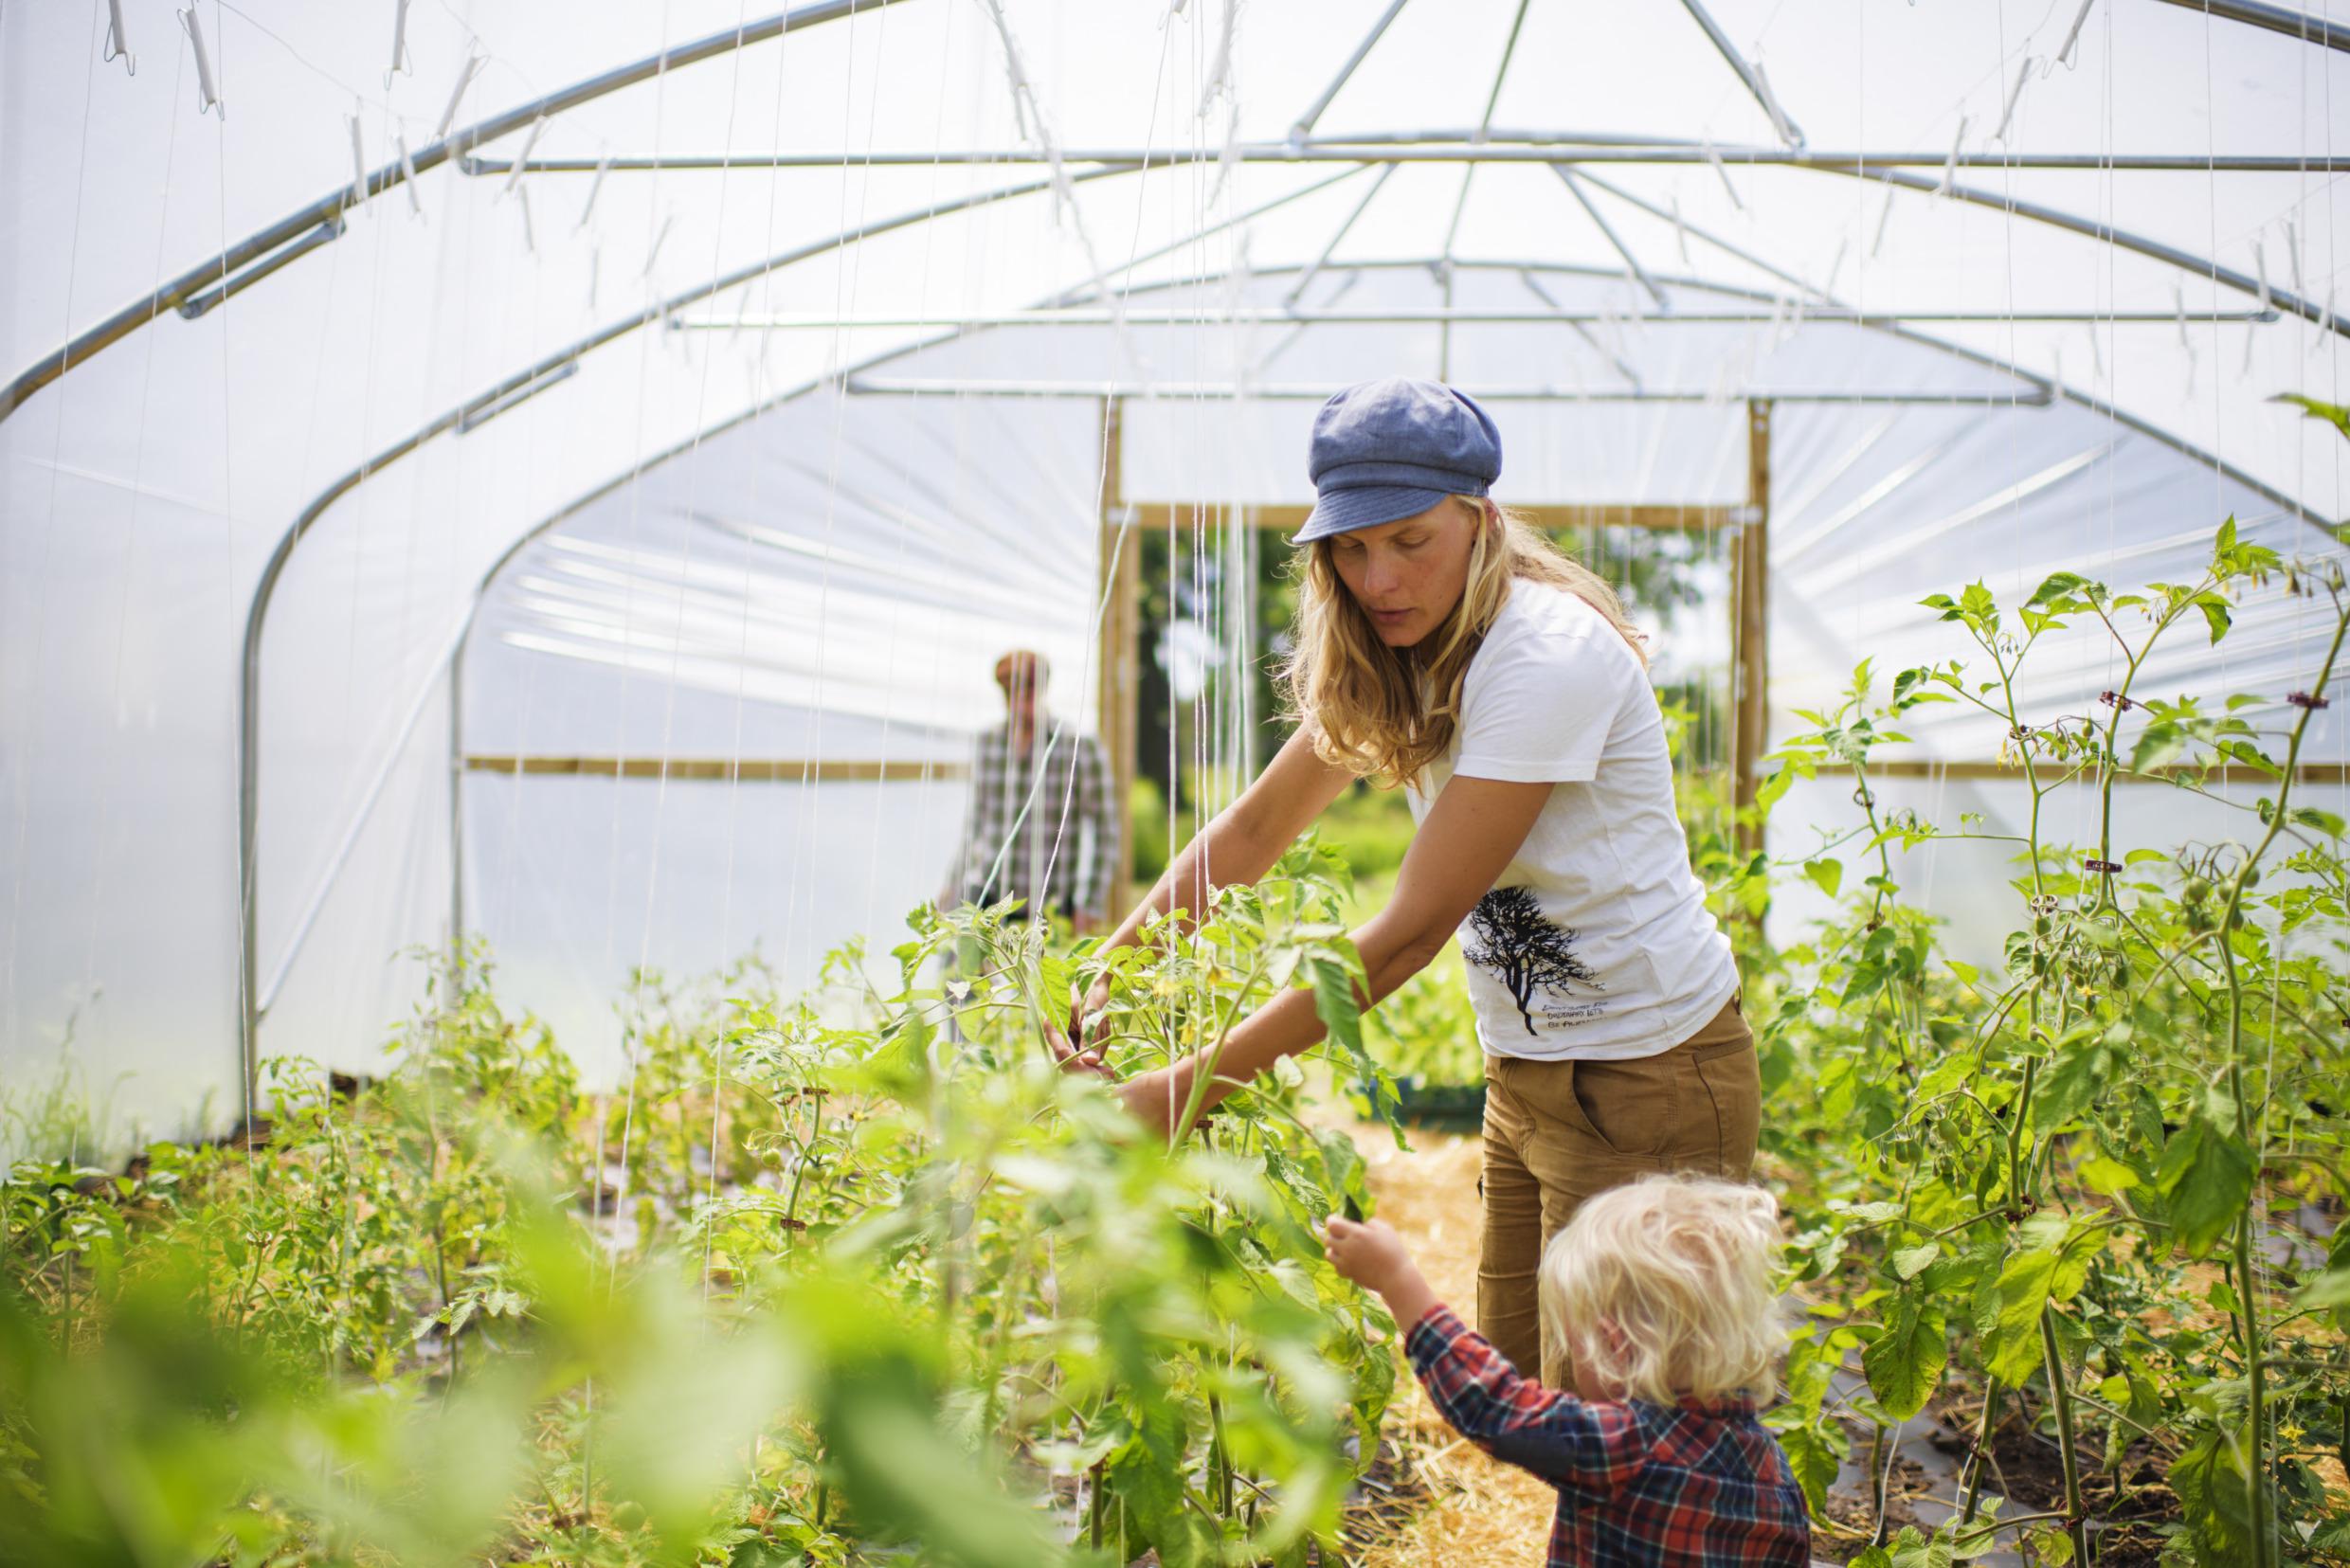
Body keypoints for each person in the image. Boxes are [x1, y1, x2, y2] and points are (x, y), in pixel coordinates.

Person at [1063, 377, 1757, 1388]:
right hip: (1528, 1067)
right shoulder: (1405, 651)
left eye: (1406, 539)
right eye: (1348, 546)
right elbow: (1254, 826)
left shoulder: (1542, 654)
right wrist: (1107, 973)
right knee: (1532, 1377)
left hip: (1650, 1071)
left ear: (1476, 522)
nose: (1375, 576)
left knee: (1634, 1428)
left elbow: (1407, 929)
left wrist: (1188, 1088)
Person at [1321, 1174, 1811, 1565]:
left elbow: (1493, 1408)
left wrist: (1397, 1280)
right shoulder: (1775, 1473)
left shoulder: (1626, 1446)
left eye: (1573, 1341)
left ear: (1614, 1348)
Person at [944, 649, 1121, 935]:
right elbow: (975, 822)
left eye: (1026, 688)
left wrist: (1090, 904)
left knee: (1040, 977)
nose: (1019, 699)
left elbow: (1106, 831)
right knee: (963, 975)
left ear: (1042, 689)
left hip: (1050, 903)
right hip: (987, 895)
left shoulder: (1077, 746)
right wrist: (952, 883)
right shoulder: (989, 742)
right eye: (1011, 690)